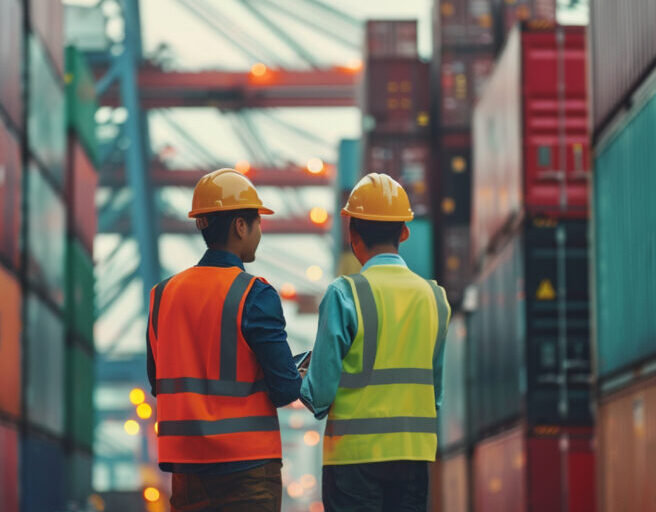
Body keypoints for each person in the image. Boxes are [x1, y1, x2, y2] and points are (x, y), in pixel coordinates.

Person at [147, 168, 302, 512]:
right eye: (257, 222)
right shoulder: (254, 294)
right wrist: (295, 374)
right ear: (240, 226)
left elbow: (160, 383)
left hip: (187, 474)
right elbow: (286, 390)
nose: (260, 231)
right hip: (247, 471)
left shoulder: (162, 295)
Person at [301, 173, 450, 512]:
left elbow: (320, 395)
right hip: (412, 455)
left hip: (353, 461)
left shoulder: (344, 294)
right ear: (404, 232)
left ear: (352, 233)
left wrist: (301, 382)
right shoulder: (435, 298)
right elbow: (434, 393)